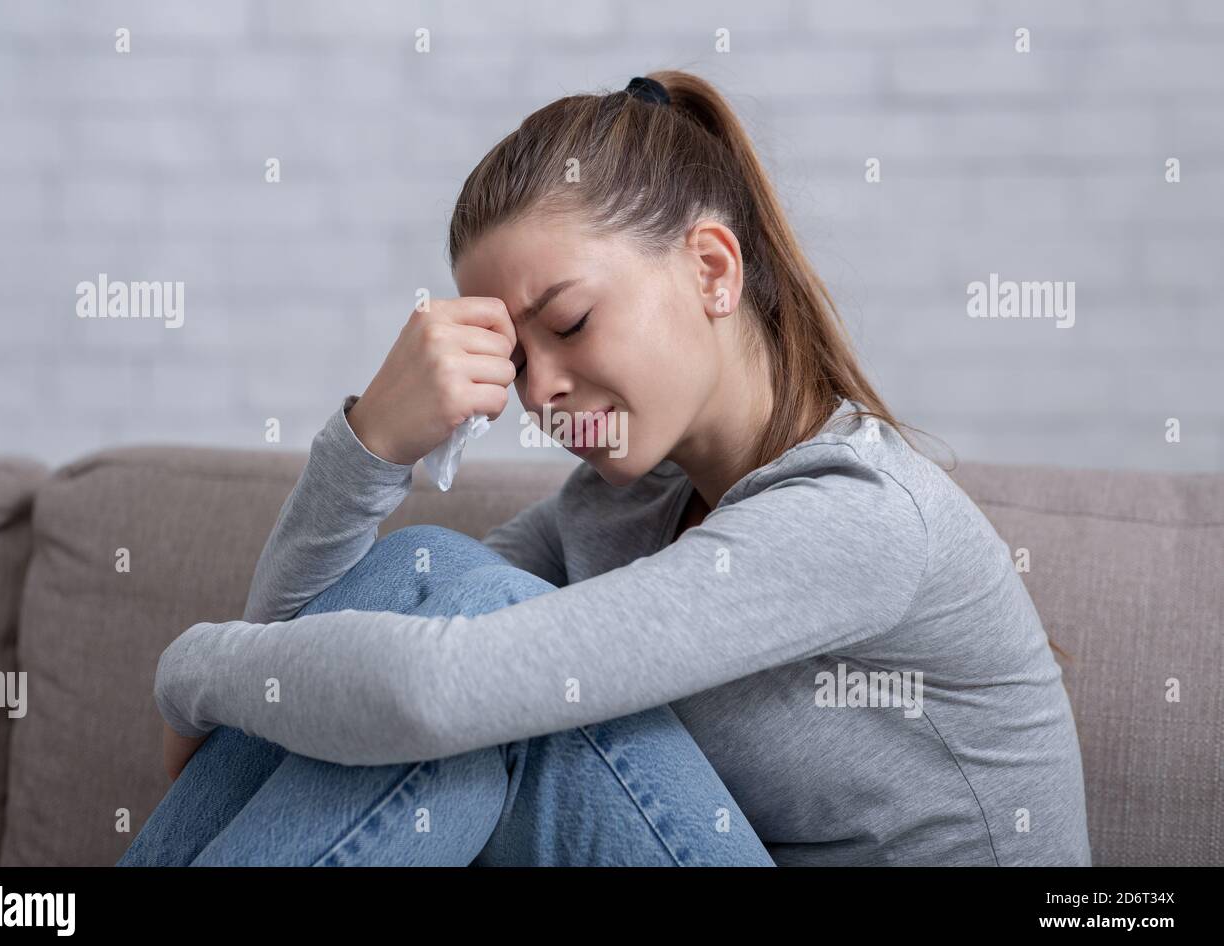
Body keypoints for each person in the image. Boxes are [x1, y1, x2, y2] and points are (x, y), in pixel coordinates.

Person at [119, 71, 1091, 867]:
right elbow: (326, 649)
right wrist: (374, 440)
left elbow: (436, 689)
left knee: (474, 650)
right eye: (513, 356)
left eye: (570, 322)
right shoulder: (618, 511)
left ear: (712, 270)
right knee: (431, 575)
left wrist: (192, 668)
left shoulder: (862, 515)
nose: (539, 393)